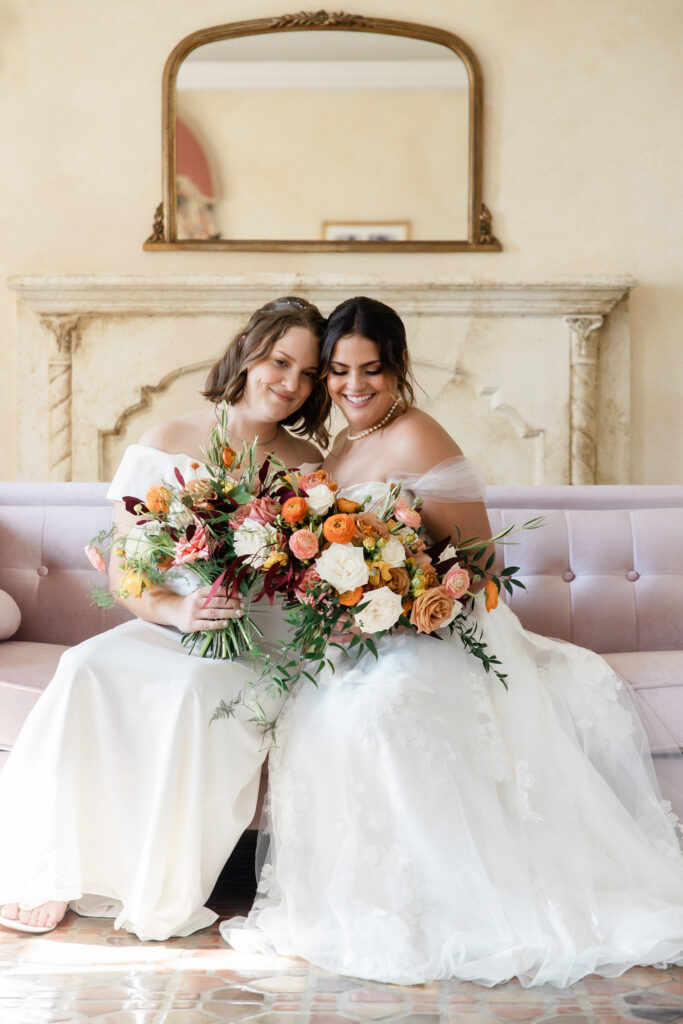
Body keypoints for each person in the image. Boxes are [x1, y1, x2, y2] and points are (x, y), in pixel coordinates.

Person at [222, 296, 683, 988]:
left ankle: (447, 902)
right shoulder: (340, 445)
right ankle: (374, 897)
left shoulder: (420, 437)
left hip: (444, 628)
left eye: (370, 370)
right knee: (323, 706)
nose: (352, 386)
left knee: (384, 708)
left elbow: (481, 569)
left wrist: (401, 603)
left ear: (397, 368)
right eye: (338, 372)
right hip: (366, 634)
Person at [0, 296, 328, 940]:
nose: (290, 383)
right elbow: (129, 568)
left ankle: (146, 882)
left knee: (191, 690)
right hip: (168, 626)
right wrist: (179, 607)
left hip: (260, 641)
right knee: (85, 664)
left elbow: (305, 578)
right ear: (248, 350)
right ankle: (54, 869)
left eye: (309, 374)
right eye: (280, 361)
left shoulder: (308, 464)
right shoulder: (166, 442)